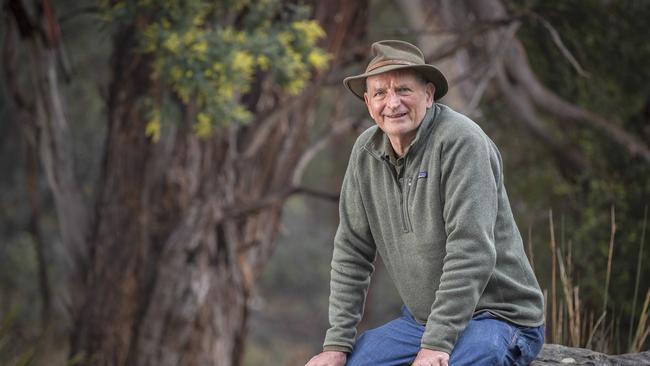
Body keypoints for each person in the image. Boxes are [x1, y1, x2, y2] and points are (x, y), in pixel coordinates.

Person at [304, 40, 545, 366]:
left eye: (404, 90)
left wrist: (436, 344)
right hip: (420, 322)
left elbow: (470, 250)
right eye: (380, 93)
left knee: (470, 358)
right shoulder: (365, 153)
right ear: (367, 102)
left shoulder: (462, 142)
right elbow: (352, 253)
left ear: (429, 95)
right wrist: (337, 344)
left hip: (498, 318)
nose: (392, 103)